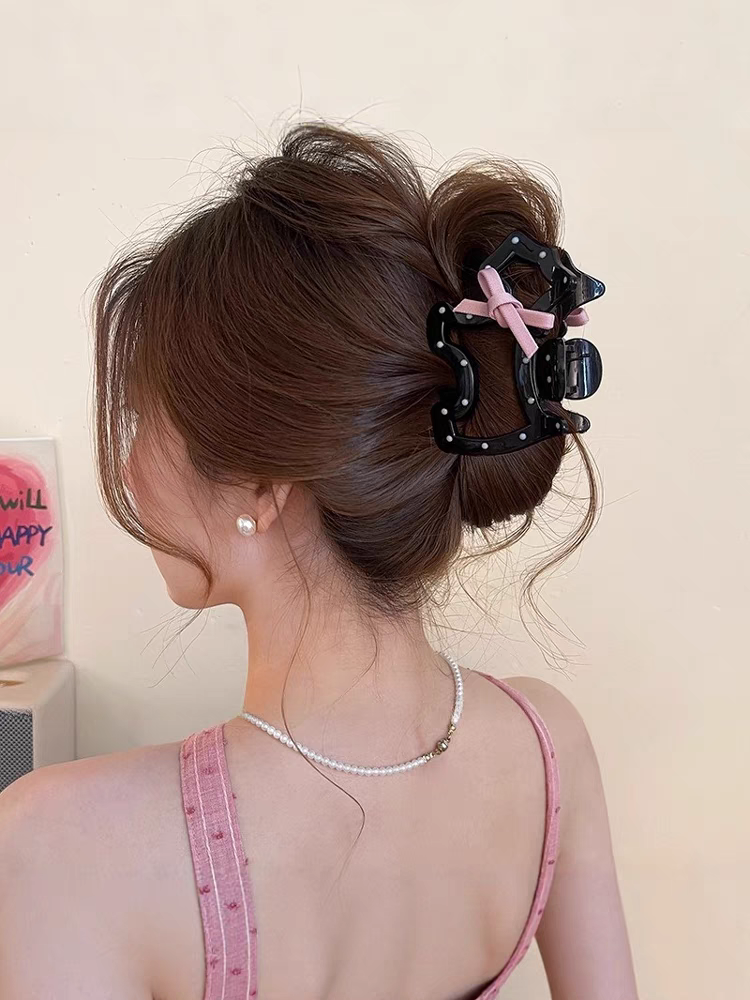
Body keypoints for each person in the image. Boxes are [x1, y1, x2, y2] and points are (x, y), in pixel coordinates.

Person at [0, 122, 639, 1000]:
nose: (132, 462)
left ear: (263, 484)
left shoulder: (61, 844)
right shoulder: (546, 744)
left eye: (147, 418)